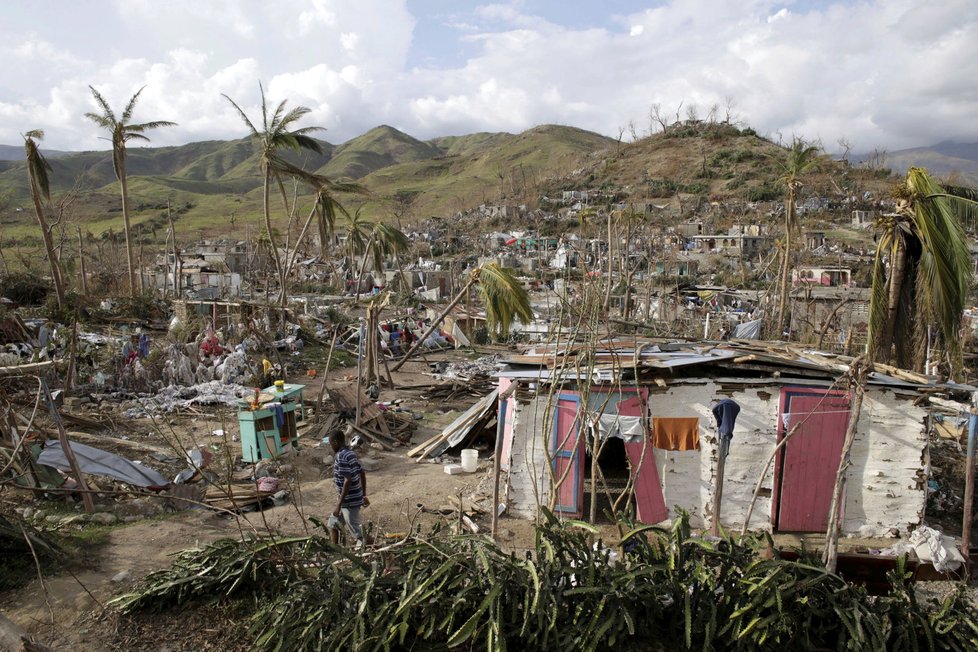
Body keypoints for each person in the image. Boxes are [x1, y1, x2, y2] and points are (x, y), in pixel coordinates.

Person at [328, 430, 368, 546]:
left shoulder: (341, 456)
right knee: (334, 523)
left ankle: (380, 550)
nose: (331, 447)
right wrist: (364, 495)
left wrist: (339, 505)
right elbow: (362, 473)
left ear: (335, 442)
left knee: (358, 533)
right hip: (351, 498)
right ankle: (335, 551)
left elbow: (348, 480)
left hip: (349, 501)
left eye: (331, 444)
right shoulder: (351, 453)